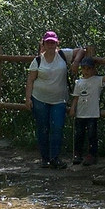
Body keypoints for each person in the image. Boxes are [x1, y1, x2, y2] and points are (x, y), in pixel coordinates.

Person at [25, 31, 82, 169]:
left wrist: (75, 62)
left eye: (53, 42)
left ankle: (55, 158)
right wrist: (28, 99)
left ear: (57, 43)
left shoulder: (63, 54)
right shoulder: (37, 60)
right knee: (43, 128)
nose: (50, 44)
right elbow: (30, 80)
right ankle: (45, 159)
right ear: (43, 44)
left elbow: (81, 50)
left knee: (57, 128)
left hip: (59, 100)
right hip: (39, 99)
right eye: (48, 42)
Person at [69, 56, 105, 166]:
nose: (86, 71)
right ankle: (77, 154)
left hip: (92, 114)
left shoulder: (97, 80)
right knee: (79, 134)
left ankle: (92, 155)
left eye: (89, 68)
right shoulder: (78, 82)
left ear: (93, 69)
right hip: (80, 114)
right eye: (84, 68)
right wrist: (72, 108)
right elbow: (76, 97)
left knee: (91, 135)